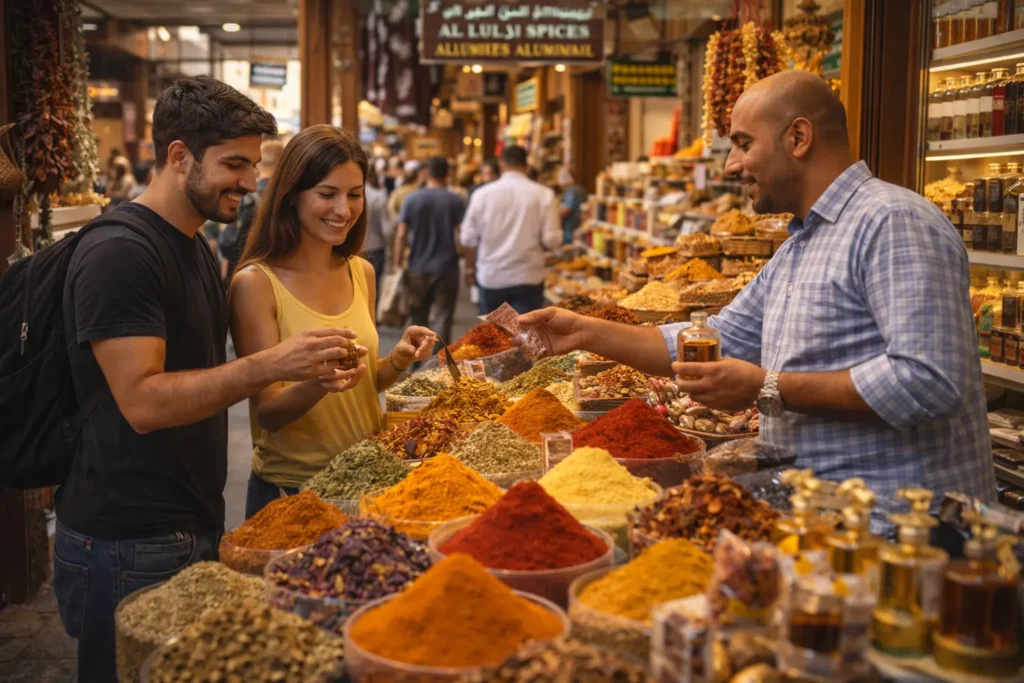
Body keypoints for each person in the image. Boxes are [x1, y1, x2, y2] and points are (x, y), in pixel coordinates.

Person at [518, 70, 994, 517]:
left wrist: (768, 387)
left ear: (799, 138)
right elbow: (715, 338)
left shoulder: (892, 221)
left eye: (743, 144)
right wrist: (583, 332)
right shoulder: (801, 247)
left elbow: (929, 380)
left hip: (903, 530)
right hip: (824, 517)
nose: (731, 165)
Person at [55, 76, 357, 683]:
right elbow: (141, 401)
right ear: (178, 156)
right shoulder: (121, 252)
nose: (250, 183)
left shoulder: (193, 245)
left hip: (185, 521)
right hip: (123, 538)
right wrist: (270, 365)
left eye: (253, 165)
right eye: (235, 164)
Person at [229, 125, 437, 519]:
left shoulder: (361, 272)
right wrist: (316, 384)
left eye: (354, 195)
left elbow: (360, 381)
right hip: (292, 494)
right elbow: (267, 411)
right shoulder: (257, 284)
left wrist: (396, 361)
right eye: (327, 194)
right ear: (291, 197)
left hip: (367, 483)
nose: (344, 210)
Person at [461, 145, 561, 315]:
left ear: (501, 164)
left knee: (492, 336)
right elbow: (552, 240)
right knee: (524, 336)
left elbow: (467, 238)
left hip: (491, 276)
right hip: (528, 276)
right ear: (526, 165)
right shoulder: (544, 194)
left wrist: (470, 268)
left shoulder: (482, 195)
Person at [393, 156, 464, 344]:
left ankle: (416, 360)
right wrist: (470, 263)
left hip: (418, 265)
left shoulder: (412, 198)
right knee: (443, 316)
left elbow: (401, 234)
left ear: (426, 173)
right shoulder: (455, 200)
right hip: (447, 266)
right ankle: (437, 363)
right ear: (447, 174)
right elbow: (462, 234)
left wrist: (397, 262)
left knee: (418, 316)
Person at [220, 138, 283, 280]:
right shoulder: (290, 198)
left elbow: (227, 244)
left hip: (244, 274)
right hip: (282, 279)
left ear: (257, 166)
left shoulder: (244, 197)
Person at [362, 163, 390, 294]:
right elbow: (386, 228)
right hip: (376, 246)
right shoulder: (379, 196)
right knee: (374, 289)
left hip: (354, 248)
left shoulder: (346, 194)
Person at [558, 166, 587, 245]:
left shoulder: (573, 191)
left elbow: (565, 210)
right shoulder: (579, 189)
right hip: (577, 232)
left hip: (571, 234)